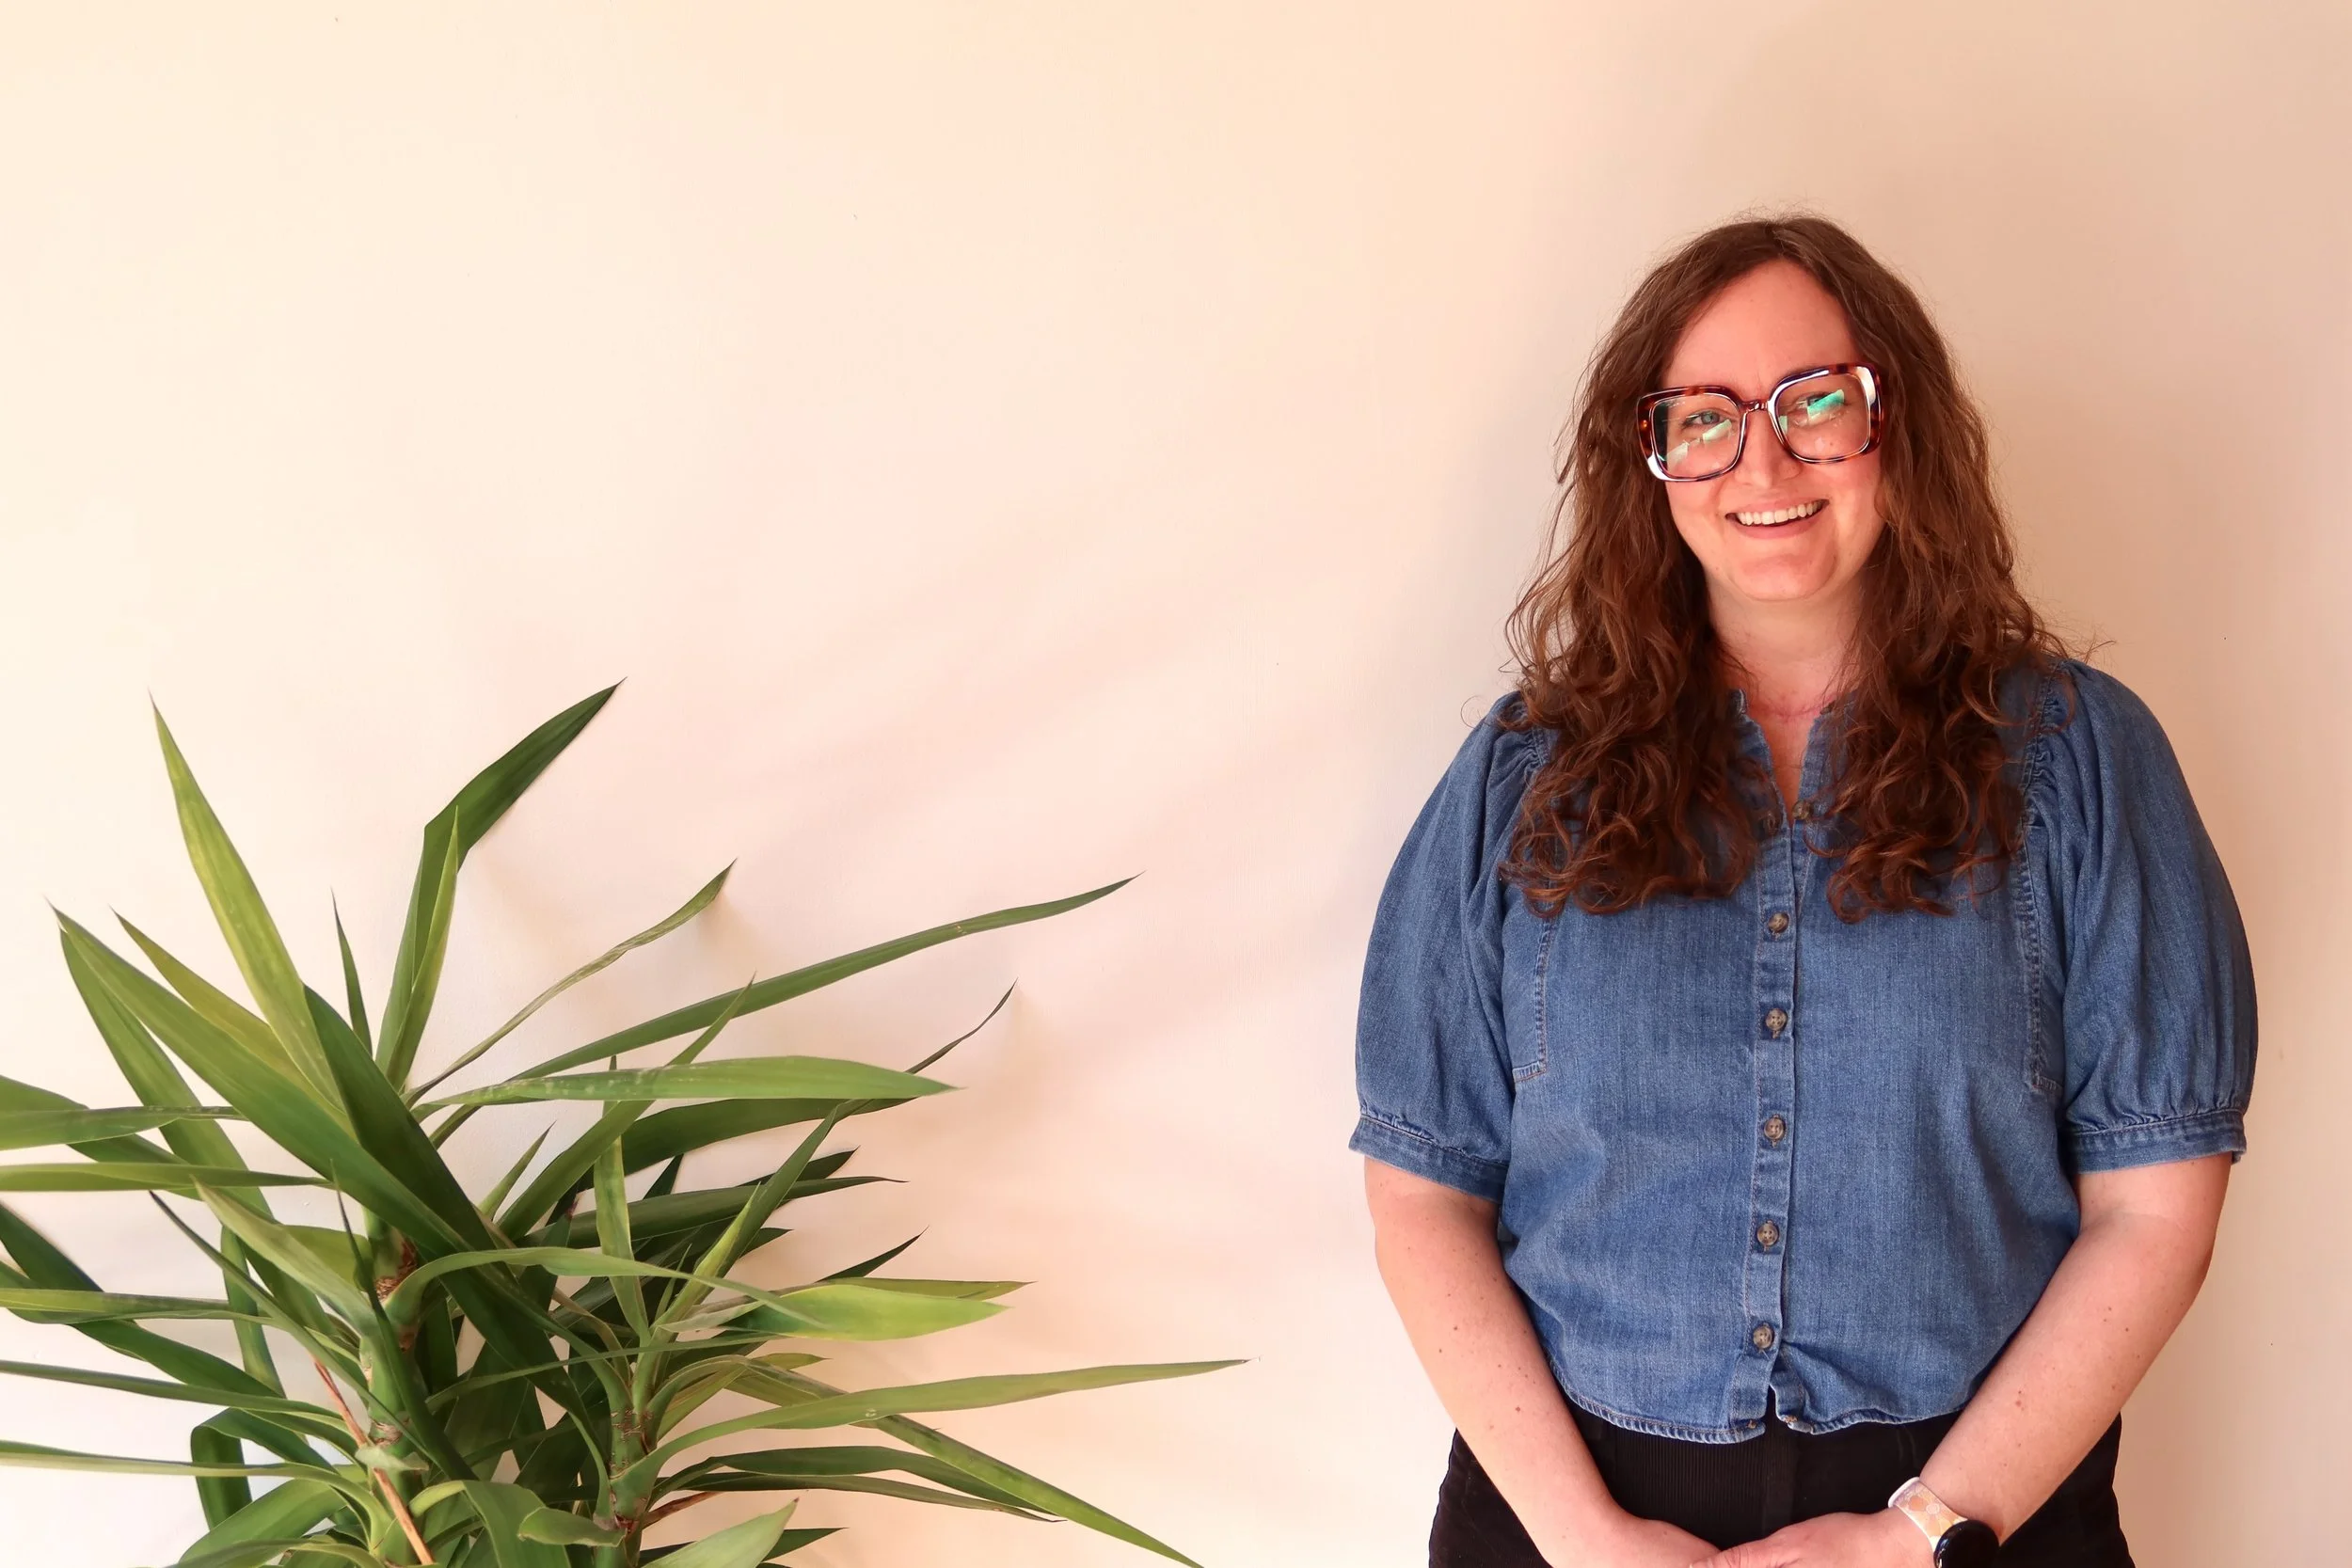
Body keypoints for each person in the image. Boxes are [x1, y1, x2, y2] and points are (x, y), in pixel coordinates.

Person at [1352, 214, 2254, 1567]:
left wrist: (1917, 1536)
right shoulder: (1520, 781)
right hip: (1565, 1515)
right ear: (1648, 459)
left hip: (1974, 1519)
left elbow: (2155, 1205)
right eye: (1703, 417)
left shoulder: (2078, 763)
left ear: (1899, 427)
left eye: (1815, 401)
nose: (1761, 460)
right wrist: (1584, 1541)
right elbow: (1425, 1191)